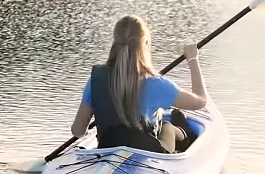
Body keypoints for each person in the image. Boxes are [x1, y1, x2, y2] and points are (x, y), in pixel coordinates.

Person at [70, 15, 208, 153]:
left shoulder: (95, 82)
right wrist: (193, 60)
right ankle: (185, 136)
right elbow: (200, 101)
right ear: (145, 44)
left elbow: (77, 131)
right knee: (167, 127)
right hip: (150, 155)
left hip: (109, 147)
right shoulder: (156, 84)